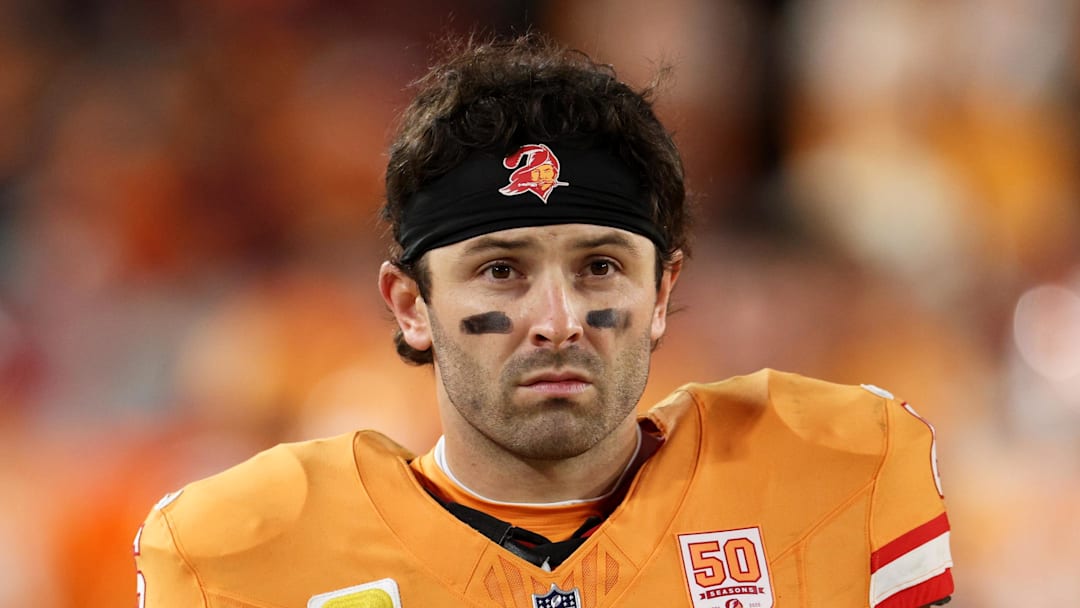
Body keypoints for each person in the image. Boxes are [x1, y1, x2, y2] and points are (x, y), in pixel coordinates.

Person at [133, 35, 954, 608]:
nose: (557, 321)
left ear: (662, 293)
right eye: (502, 270)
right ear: (412, 306)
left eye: (599, 266)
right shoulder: (244, 554)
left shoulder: (834, 471)